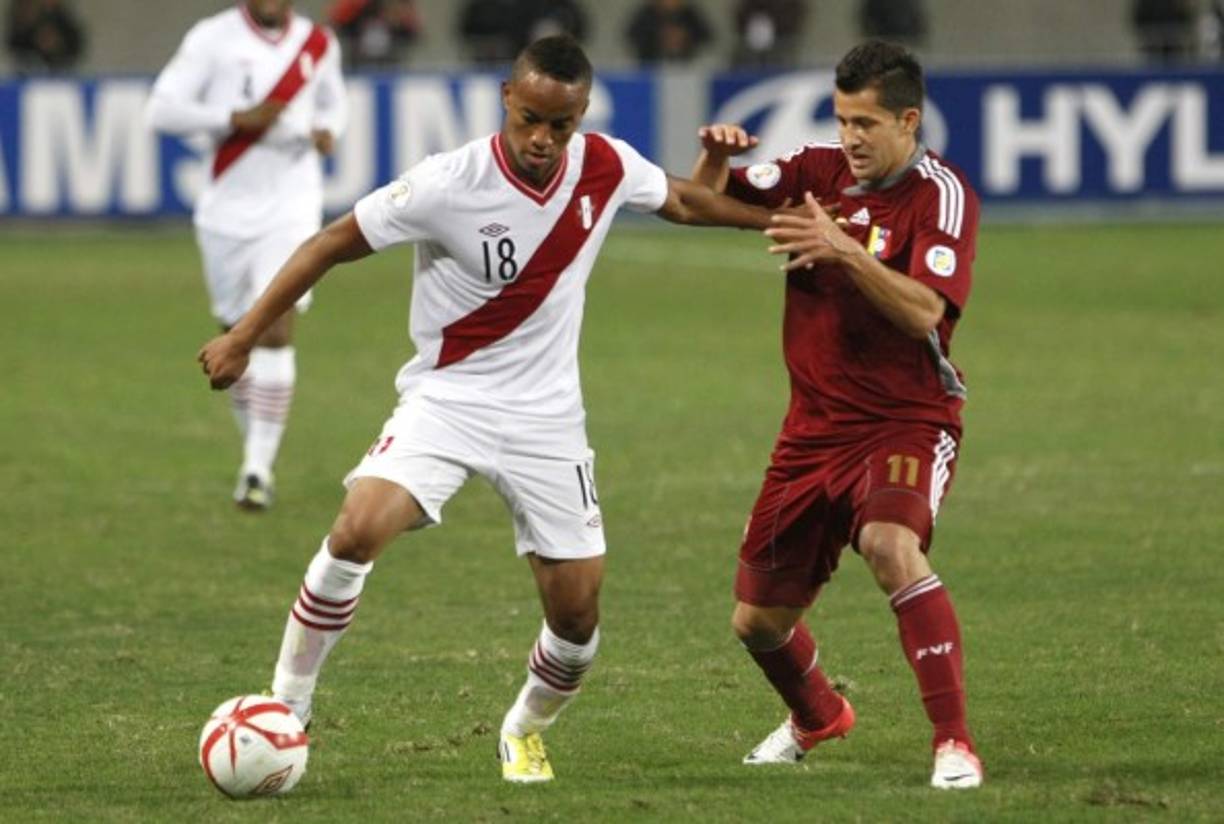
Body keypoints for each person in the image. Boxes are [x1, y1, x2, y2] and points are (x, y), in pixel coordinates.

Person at [197, 35, 781, 784]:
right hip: (448, 400)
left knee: (577, 619)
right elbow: (331, 243)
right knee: (356, 530)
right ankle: (287, 706)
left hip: (548, 420)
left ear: (582, 115)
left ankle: (522, 728)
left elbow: (688, 200)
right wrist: (244, 336)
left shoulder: (605, 165)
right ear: (507, 96)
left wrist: (774, 224)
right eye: (530, 119)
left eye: (560, 125)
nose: (542, 140)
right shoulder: (446, 182)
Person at [692, 40, 984, 789]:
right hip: (811, 431)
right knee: (757, 623)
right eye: (842, 119)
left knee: (890, 544)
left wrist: (843, 248)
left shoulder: (941, 198)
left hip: (906, 419)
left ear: (908, 121)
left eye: (865, 123)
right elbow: (700, 205)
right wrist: (714, 163)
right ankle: (818, 715)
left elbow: (925, 310)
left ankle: (954, 744)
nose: (849, 138)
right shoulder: (814, 171)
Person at [147, 0, 347, 510]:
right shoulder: (212, 38)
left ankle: (257, 468)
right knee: (234, 335)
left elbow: (333, 104)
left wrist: (329, 129)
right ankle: (254, 453)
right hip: (227, 210)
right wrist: (235, 117)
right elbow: (162, 109)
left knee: (274, 326)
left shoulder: (318, 44)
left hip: (293, 203)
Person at [327, 0, 421, 68]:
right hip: (358, 67)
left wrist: (399, 14)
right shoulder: (356, 9)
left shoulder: (396, 9)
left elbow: (414, 33)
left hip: (391, 67)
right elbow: (335, 26)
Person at [5, 0, 84, 74]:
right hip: (28, 70)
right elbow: (14, 44)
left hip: (62, 70)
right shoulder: (25, 14)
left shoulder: (64, 19)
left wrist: (58, 45)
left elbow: (76, 43)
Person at [624, 0, 713, 65]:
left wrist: (686, 37)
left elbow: (707, 37)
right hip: (652, 67)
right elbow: (631, 36)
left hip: (687, 68)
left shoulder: (690, 14)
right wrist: (658, 37)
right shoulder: (646, 14)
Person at [732, 0, 807, 69]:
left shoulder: (790, 6)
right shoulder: (749, 6)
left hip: (781, 47)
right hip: (749, 56)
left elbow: (796, 16)